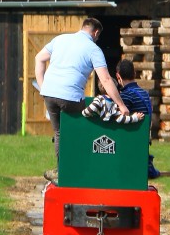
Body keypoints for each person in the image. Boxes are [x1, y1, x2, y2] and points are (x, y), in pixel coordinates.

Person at [35, 17, 135, 182]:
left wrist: (43, 86)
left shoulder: (60, 39)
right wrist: (121, 105)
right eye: (97, 36)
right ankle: (85, 167)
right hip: (70, 97)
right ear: (96, 33)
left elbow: (39, 58)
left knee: (60, 132)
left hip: (49, 94)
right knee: (89, 125)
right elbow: (106, 80)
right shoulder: (93, 49)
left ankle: (62, 172)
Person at [114, 58, 161, 179]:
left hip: (130, 140)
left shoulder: (124, 96)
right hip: (143, 139)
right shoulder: (144, 93)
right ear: (134, 74)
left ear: (118, 76)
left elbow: (120, 121)